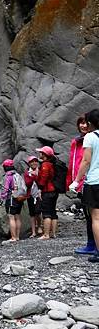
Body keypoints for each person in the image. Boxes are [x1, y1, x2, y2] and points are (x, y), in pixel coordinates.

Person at [71, 109, 99, 262]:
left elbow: (86, 161)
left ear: (90, 122)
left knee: (96, 218)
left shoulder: (90, 137)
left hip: (94, 181)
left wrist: (76, 180)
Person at [67, 115, 92, 254]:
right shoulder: (76, 142)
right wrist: (72, 182)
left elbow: (86, 162)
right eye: (80, 123)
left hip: (89, 181)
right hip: (80, 183)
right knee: (88, 215)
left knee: (92, 215)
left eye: (85, 123)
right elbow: (73, 164)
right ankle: (91, 244)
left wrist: (78, 181)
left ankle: (92, 245)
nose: (83, 126)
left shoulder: (91, 140)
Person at [0, 159, 22, 241]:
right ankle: (17, 237)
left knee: (11, 217)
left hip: (11, 198)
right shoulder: (17, 175)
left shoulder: (8, 176)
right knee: (17, 217)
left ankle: (13, 237)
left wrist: (1, 200)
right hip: (19, 198)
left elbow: (5, 189)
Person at [36, 145, 58, 240]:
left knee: (46, 212)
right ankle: (53, 233)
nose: (39, 153)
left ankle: (46, 234)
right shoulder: (52, 163)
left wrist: (40, 188)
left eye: (41, 152)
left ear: (44, 154)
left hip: (47, 191)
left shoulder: (45, 165)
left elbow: (44, 178)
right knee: (53, 212)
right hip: (54, 191)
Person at [22, 156, 43, 237]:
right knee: (32, 214)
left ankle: (39, 227)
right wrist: (34, 176)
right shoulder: (27, 172)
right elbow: (28, 183)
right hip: (30, 195)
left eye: (35, 161)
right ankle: (33, 231)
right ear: (29, 163)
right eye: (32, 162)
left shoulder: (40, 171)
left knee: (38, 212)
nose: (34, 163)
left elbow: (41, 181)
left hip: (39, 194)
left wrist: (36, 175)